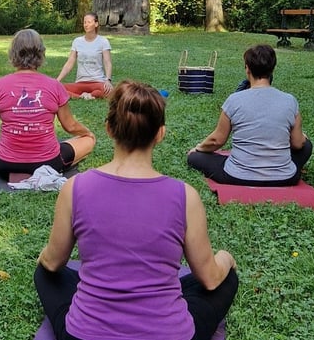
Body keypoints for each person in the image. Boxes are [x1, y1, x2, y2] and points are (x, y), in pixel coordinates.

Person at [35, 80, 238, 340]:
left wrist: (44, 256)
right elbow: (210, 279)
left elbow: (52, 262)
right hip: (169, 336)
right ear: (160, 133)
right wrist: (226, 258)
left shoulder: (75, 188)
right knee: (225, 279)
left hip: (84, 335)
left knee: (45, 273)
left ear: (109, 128)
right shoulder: (185, 196)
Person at [0, 29, 95, 178]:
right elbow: (71, 126)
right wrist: (88, 133)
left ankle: (15, 167)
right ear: (41, 53)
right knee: (88, 140)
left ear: (13, 53)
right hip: (49, 163)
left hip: (6, 163)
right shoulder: (54, 85)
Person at [187, 44, 312, 186]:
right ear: (272, 69)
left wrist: (198, 148)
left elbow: (217, 140)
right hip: (285, 178)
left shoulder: (234, 100)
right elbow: (298, 143)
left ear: (247, 68)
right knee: (306, 145)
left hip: (237, 176)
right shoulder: (290, 100)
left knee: (195, 157)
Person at [56, 12, 113, 100]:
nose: (86, 25)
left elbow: (107, 62)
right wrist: (57, 80)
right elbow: (70, 62)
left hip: (97, 82)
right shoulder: (77, 41)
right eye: (84, 22)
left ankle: (90, 94)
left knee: (110, 91)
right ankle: (83, 96)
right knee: (59, 88)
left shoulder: (103, 41)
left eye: (89, 22)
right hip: (81, 82)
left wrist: (108, 80)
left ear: (96, 24)